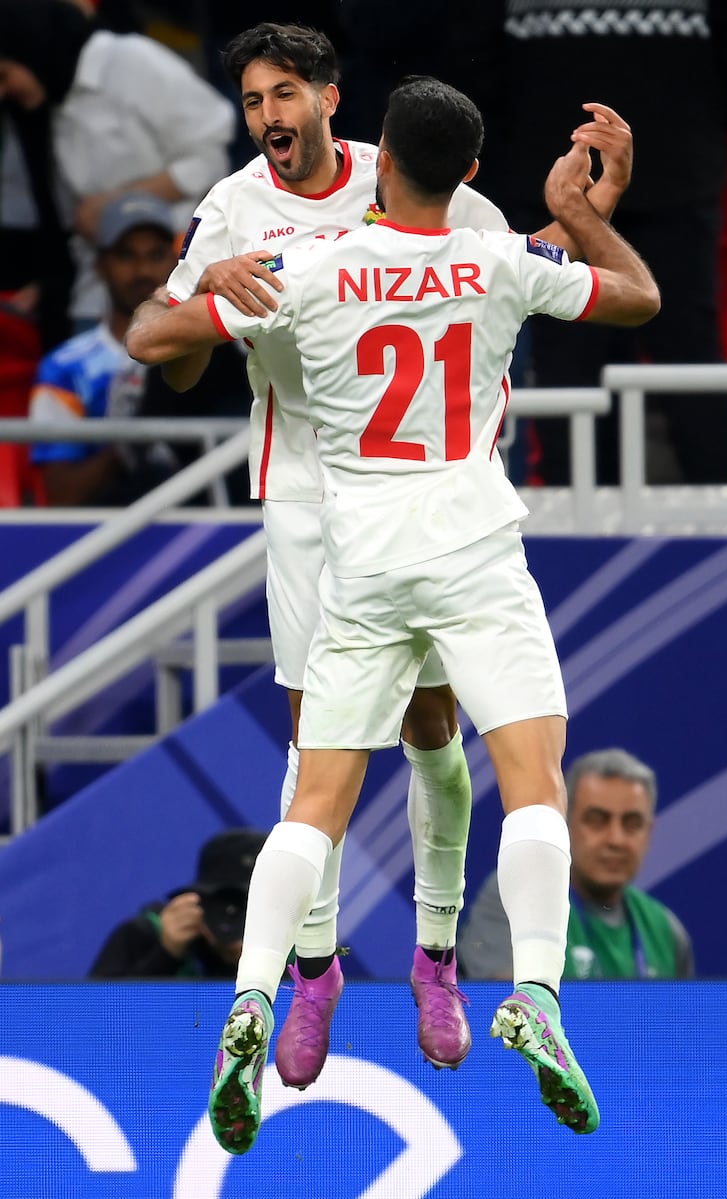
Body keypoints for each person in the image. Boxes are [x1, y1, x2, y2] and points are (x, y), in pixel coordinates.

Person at [127, 74, 660, 1150]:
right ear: (468, 174)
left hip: (358, 556)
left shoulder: (305, 270)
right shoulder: (506, 258)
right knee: (533, 777)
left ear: (379, 164)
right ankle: (538, 996)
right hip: (470, 544)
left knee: (313, 797)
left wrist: (216, 281)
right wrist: (582, 213)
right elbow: (637, 296)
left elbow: (152, 340)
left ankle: (249, 999)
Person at [476, 0, 727, 485]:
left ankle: (720, 512)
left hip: (669, 175)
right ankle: (575, 520)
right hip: (558, 174)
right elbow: (476, 48)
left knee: (684, 347)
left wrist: (693, 126)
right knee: (571, 350)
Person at [0, 0, 234, 327]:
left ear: (31, 46)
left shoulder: (128, 61)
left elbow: (209, 152)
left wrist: (118, 206)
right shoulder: (49, 99)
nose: (3, 91)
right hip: (95, 298)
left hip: (175, 284)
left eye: (5, 74)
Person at [459, 748, 694, 981]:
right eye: (596, 820)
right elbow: (511, 1011)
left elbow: (683, 1018)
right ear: (565, 823)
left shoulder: (666, 930)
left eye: (632, 824)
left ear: (649, 832)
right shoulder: (519, 895)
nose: (616, 839)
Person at [28, 192, 182, 506]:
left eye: (155, 255)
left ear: (174, 263)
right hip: (105, 538)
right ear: (100, 265)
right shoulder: (64, 367)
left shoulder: (207, 355)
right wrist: (128, 442)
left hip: (213, 532)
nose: (142, 271)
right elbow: (60, 496)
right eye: (127, 256)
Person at [89, 828, 268, 978]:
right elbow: (97, 1014)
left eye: (252, 905)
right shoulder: (147, 933)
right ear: (197, 898)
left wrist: (251, 965)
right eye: (223, 903)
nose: (233, 915)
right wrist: (165, 954)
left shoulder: (291, 946)